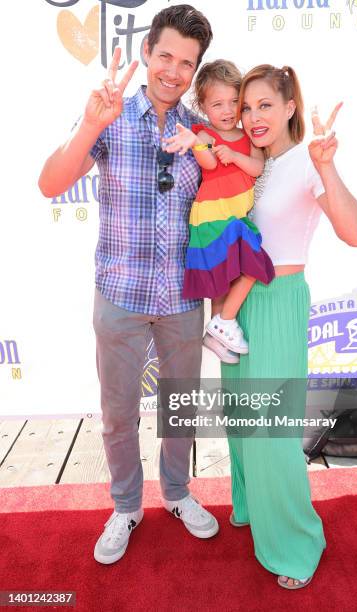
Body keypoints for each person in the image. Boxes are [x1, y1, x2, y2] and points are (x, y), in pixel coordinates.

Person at [38, 4, 219, 565]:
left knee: (181, 406)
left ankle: (178, 493)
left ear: (194, 71)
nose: (173, 71)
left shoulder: (201, 129)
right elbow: (50, 183)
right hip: (119, 295)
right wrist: (92, 122)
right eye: (165, 55)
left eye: (186, 63)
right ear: (146, 54)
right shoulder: (110, 113)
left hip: (184, 299)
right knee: (118, 411)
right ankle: (125, 506)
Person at [221, 64, 357, 589]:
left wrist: (327, 167)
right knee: (241, 421)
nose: (253, 116)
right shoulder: (256, 164)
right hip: (239, 307)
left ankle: (296, 542)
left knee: (271, 432)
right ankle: (255, 509)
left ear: (289, 109)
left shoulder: (308, 162)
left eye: (265, 105)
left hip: (279, 303)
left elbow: (354, 232)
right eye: (246, 107)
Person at [163, 60, 274, 364]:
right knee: (238, 266)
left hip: (233, 216)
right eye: (217, 104)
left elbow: (257, 167)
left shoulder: (248, 135)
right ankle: (222, 321)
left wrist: (235, 155)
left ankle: (217, 330)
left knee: (231, 270)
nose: (227, 111)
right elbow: (208, 164)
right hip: (213, 214)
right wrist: (200, 146)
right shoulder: (206, 134)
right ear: (203, 106)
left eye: (234, 102)